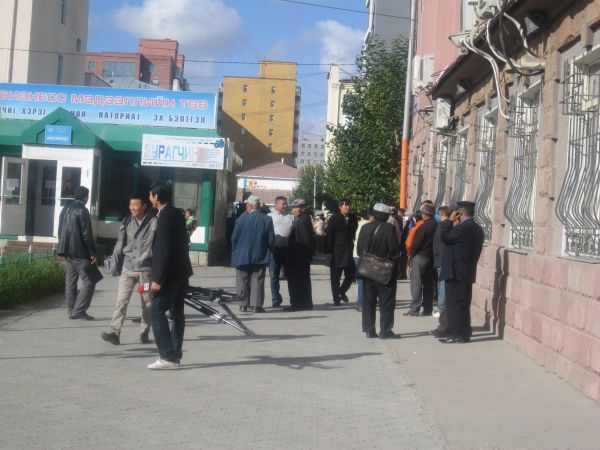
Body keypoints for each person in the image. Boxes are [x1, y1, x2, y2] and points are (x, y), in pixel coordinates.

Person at [147, 181, 193, 369]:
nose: (149, 197)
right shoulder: (176, 214)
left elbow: (163, 250)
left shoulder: (165, 217)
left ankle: (167, 356)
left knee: (156, 310)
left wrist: (158, 279)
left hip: (170, 274)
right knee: (177, 314)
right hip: (181, 272)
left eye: (150, 194)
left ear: (156, 196)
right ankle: (175, 354)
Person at [100, 193, 157, 345]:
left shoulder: (154, 222)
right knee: (121, 301)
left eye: (135, 205)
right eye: (131, 205)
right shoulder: (127, 221)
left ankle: (144, 332)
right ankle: (114, 332)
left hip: (146, 271)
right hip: (128, 268)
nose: (132, 208)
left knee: (147, 303)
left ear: (144, 206)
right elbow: (120, 244)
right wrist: (114, 265)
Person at [438, 201, 485, 344]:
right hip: (467, 271)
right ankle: (464, 333)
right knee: (463, 304)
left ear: (461, 213)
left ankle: (456, 334)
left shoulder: (463, 228)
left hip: (455, 272)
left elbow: (444, 237)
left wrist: (449, 221)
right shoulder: (477, 229)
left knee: (454, 304)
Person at [357, 203, 401, 339]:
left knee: (368, 301)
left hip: (367, 270)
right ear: (387, 216)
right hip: (384, 272)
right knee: (386, 302)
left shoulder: (365, 227)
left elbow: (359, 250)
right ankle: (385, 331)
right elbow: (394, 250)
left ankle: (369, 330)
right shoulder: (389, 229)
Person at [57, 186, 98, 320]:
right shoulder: (83, 211)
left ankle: (71, 310)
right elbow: (86, 234)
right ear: (85, 197)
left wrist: (61, 247)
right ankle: (79, 310)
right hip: (80, 252)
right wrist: (92, 252)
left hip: (67, 251)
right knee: (90, 280)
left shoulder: (65, 209)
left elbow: (60, 230)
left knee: (70, 281)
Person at [231, 195, 275, 313]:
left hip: (241, 255)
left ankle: (243, 304)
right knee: (258, 279)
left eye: (247, 205)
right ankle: (256, 306)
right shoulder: (267, 219)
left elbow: (233, 238)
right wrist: (267, 249)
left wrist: (235, 251)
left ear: (250, 206)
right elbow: (271, 239)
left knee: (242, 279)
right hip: (260, 254)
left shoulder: (241, 219)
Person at [405, 204, 437, 316]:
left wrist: (411, 255)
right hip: (431, 257)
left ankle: (415, 309)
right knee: (429, 284)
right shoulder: (436, 225)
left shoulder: (424, 226)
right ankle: (427, 309)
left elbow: (416, 243)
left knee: (416, 283)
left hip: (420, 256)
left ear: (425, 214)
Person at [326, 198, 358, 305]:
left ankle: (342, 290)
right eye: (345, 205)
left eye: (349, 205)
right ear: (340, 207)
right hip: (336, 252)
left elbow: (354, 234)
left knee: (351, 274)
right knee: (335, 277)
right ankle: (336, 298)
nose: (348, 207)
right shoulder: (334, 218)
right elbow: (329, 235)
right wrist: (329, 252)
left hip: (349, 251)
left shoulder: (353, 218)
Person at [286, 198, 316, 311]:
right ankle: (305, 303)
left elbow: (306, 240)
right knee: (303, 280)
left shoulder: (302, 220)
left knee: (297, 281)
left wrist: (307, 254)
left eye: (296, 207)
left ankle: (297, 304)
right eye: (293, 208)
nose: (294, 210)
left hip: (299, 256)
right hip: (300, 256)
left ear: (303, 208)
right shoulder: (302, 218)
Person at [431, 206, 452, 337]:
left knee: (442, 286)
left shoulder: (445, 225)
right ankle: (441, 307)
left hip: (442, 260)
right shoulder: (443, 225)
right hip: (440, 259)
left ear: (440, 213)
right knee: (441, 285)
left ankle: (441, 309)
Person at [268, 196, 293, 307]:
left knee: (290, 276)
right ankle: (276, 299)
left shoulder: (291, 217)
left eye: (286, 204)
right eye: (283, 204)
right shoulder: (269, 217)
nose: (285, 206)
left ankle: (293, 298)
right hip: (274, 250)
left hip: (287, 250)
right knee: (274, 275)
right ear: (277, 205)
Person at [353, 211, 373, 312]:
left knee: (361, 280)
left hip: (356, 254)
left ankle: (360, 302)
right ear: (370, 216)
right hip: (363, 255)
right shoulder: (367, 226)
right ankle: (361, 303)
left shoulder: (359, 223)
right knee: (363, 281)